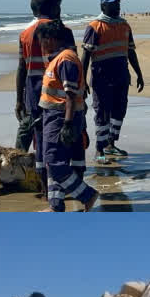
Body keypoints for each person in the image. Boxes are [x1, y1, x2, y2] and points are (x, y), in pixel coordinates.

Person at [36, 21, 98, 212]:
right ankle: (56, 204)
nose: (41, 45)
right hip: (52, 116)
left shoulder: (66, 60)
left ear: (51, 39)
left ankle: (86, 194)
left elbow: (70, 95)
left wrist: (68, 123)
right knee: (54, 162)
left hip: (60, 117)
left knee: (54, 162)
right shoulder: (57, 59)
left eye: (42, 41)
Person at [81, 0, 144, 165]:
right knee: (102, 112)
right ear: (103, 6)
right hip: (102, 78)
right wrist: (82, 80)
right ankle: (99, 150)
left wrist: (139, 73)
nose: (117, 6)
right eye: (113, 3)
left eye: (118, 3)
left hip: (122, 76)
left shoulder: (125, 25)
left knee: (119, 111)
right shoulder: (94, 27)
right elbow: (85, 55)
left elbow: (130, 51)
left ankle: (111, 144)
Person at [16, 0, 62, 196]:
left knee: (39, 136)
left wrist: (19, 99)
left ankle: (41, 185)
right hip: (54, 90)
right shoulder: (58, 30)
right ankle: (58, 183)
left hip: (32, 91)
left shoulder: (24, 34)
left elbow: (21, 68)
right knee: (56, 137)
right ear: (53, 7)